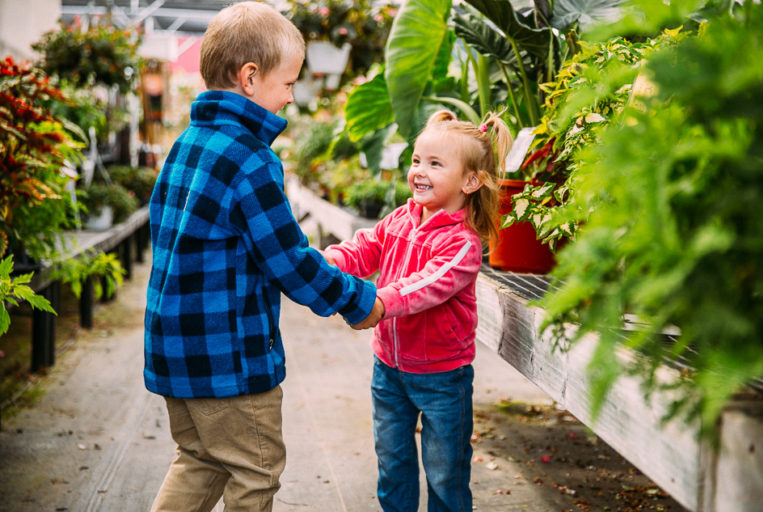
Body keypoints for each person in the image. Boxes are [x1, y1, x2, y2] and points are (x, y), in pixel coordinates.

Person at [143, 3, 384, 511]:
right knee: (255, 473)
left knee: (200, 458)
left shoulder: (187, 144)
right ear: (250, 77)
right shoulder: (251, 159)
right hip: (231, 361)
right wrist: (359, 301)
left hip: (176, 352)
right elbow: (289, 261)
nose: (292, 97)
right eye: (288, 83)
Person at [323, 109, 513, 511]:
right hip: (388, 368)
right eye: (416, 160)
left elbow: (425, 285)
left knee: (445, 474)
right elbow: (365, 247)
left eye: (435, 164)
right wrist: (329, 261)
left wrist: (379, 302)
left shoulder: (462, 243)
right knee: (392, 464)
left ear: (470, 181)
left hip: (442, 377)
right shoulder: (401, 219)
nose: (419, 171)